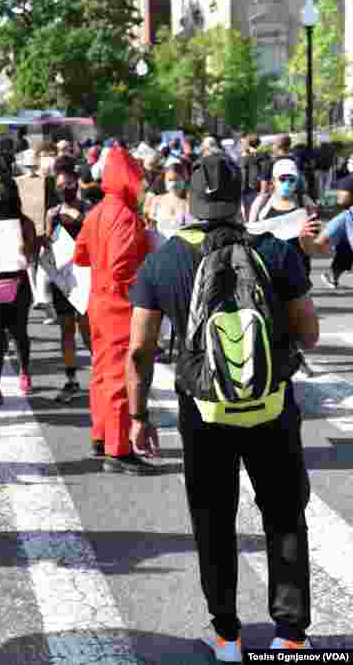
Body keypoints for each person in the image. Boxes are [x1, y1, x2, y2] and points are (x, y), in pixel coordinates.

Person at [127, 153, 319, 658]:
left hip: (203, 411)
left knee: (213, 519)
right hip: (272, 407)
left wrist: (138, 415)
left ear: (190, 201)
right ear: (242, 199)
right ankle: (290, 635)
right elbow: (310, 334)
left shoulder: (164, 261)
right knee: (284, 514)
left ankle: (227, 636)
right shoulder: (275, 250)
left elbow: (139, 349)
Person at [73, 147, 156, 473]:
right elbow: (122, 268)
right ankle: (119, 449)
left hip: (97, 300)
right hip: (119, 304)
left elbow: (80, 256)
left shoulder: (96, 212)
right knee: (121, 376)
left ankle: (101, 435)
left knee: (101, 372)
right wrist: (149, 259)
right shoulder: (125, 216)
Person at [0, 176, 36, 408]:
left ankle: (25, 370)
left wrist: (25, 247)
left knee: (19, 333)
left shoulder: (24, 223)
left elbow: (31, 254)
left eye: (2, 196)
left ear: (12, 197)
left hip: (17, 286)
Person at [42, 162, 92, 404]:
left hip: (85, 277)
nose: (65, 189)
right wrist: (45, 241)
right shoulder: (52, 213)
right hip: (63, 279)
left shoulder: (89, 209)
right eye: (60, 186)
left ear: (76, 183)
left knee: (88, 329)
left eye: (69, 184)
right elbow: (48, 242)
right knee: (66, 330)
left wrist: (80, 218)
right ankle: (71, 379)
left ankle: (101, 372)